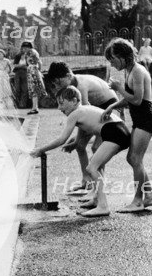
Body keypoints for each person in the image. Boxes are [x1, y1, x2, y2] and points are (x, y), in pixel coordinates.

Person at [30, 86, 130, 217]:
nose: (59, 108)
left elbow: (61, 139)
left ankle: (103, 206)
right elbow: (82, 132)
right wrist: (76, 143)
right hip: (121, 130)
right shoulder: (83, 110)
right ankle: (96, 199)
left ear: (74, 100)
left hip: (115, 133)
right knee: (97, 166)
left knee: (91, 168)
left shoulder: (74, 114)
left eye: (62, 103)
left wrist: (40, 150)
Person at [102, 38, 152, 212]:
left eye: (113, 60)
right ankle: (149, 196)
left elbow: (137, 99)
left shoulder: (138, 71)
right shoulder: (130, 70)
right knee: (133, 158)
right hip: (140, 119)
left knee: (135, 159)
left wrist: (118, 88)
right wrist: (112, 106)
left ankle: (138, 200)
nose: (111, 64)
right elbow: (130, 100)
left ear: (123, 56)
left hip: (146, 119)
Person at [46, 62, 119, 192]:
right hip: (97, 110)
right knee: (80, 146)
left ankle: (100, 184)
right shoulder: (72, 85)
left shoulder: (81, 86)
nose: (57, 86)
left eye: (58, 82)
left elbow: (84, 115)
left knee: (97, 148)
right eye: (54, 84)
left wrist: (77, 138)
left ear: (68, 76)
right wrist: (77, 141)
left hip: (109, 109)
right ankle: (86, 180)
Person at [12, 41, 34, 108]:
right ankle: (16, 104)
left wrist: (22, 66)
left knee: (25, 89)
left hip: (26, 72)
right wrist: (23, 65)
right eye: (24, 48)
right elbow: (15, 65)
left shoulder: (30, 56)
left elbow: (31, 65)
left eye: (27, 48)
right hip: (18, 73)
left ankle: (22, 104)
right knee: (17, 89)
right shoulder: (18, 56)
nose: (25, 49)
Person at [25, 48, 46, 115]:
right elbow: (39, 68)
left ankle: (34, 108)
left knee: (34, 93)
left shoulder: (30, 62)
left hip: (33, 79)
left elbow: (31, 72)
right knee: (35, 93)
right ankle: (35, 107)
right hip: (35, 77)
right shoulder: (37, 62)